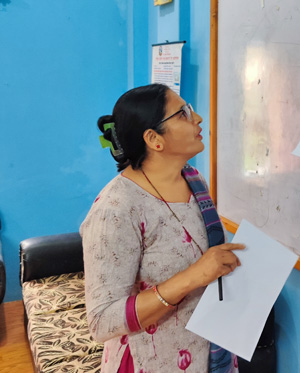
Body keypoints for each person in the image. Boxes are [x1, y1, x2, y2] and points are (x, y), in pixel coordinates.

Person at [80, 83, 245, 373]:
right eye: (183, 113)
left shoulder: (194, 180)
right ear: (154, 139)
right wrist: (192, 277)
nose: (198, 119)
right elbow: (102, 321)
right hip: (151, 362)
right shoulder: (116, 208)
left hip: (208, 354)